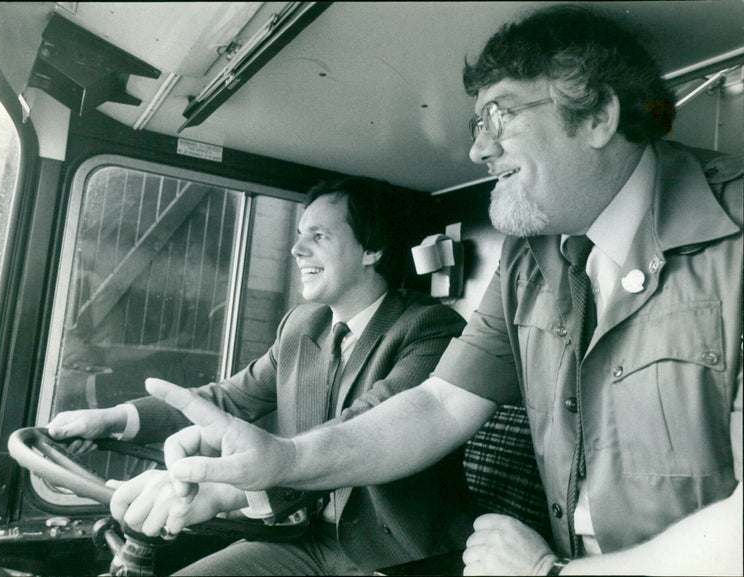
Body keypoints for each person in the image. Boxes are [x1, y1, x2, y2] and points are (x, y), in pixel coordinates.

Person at [144, 6, 743, 575]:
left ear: (597, 117)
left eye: (500, 116)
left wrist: (548, 572)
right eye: (476, 124)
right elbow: (439, 404)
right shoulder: (529, 258)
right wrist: (286, 461)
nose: (478, 149)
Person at [48, 176, 471, 575]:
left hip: (402, 558)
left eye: (319, 237)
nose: (296, 250)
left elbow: (364, 426)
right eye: (300, 234)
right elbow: (228, 399)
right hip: (302, 537)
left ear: (372, 250)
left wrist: (224, 488)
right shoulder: (302, 326)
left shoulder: (430, 328)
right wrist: (114, 419)